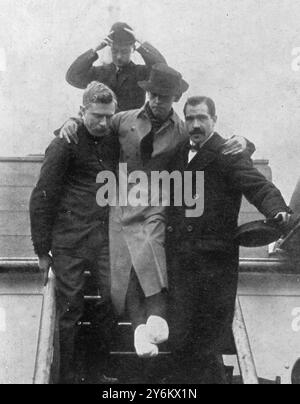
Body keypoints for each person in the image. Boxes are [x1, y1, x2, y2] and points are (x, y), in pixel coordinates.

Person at [59, 64, 252, 360]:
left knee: (150, 252)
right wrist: (72, 120)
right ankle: (139, 329)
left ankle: (155, 320)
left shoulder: (182, 128)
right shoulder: (123, 119)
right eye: (152, 94)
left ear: (174, 98)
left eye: (163, 97)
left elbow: (211, 141)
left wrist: (246, 143)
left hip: (157, 202)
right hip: (120, 201)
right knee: (124, 263)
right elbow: (95, 123)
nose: (156, 101)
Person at [166, 96, 292, 383]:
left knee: (207, 343)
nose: (196, 124)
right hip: (179, 263)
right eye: (190, 118)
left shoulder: (229, 153)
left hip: (214, 265)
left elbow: (259, 187)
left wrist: (278, 211)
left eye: (202, 118)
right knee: (179, 338)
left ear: (214, 120)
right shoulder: (176, 152)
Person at [30, 82, 120, 384]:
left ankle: (98, 371)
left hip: (104, 240)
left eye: (109, 115)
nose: (104, 122)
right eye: (96, 115)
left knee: (112, 299)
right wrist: (42, 251)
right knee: (69, 310)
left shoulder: (112, 138)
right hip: (68, 242)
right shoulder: (63, 143)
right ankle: (68, 377)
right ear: (82, 112)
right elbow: (41, 196)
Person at [66, 22, 167, 111]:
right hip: (104, 127)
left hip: (131, 128)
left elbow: (163, 73)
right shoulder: (100, 73)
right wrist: (95, 49)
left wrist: (143, 43)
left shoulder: (140, 73)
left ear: (133, 48)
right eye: (114, 51)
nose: (118, 56)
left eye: (124, 51)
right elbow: (72, 77)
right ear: (109, 47)